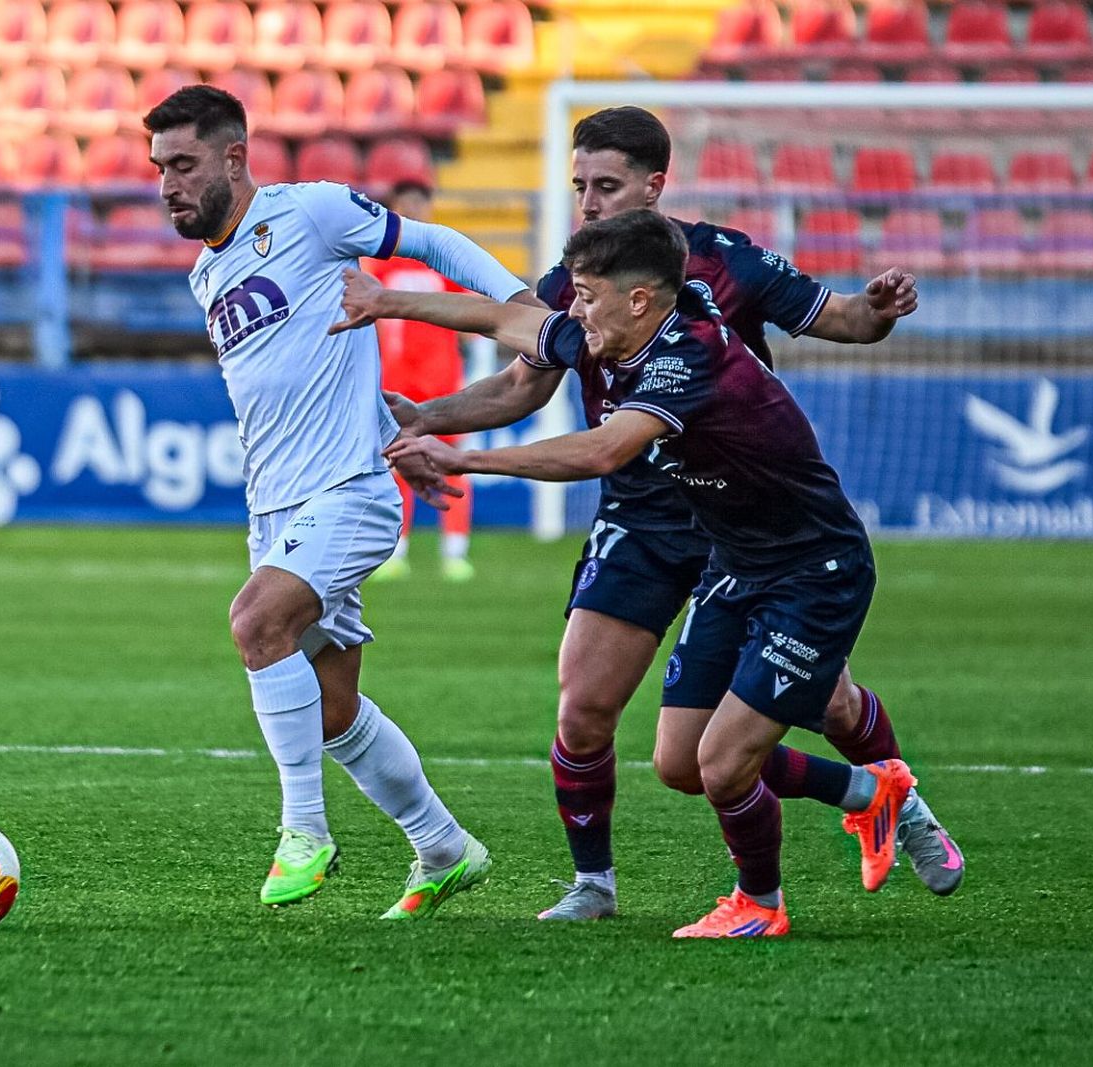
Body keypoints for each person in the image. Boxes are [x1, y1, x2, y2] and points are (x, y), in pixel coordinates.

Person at [381, 107, 961, 921]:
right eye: (578, 185)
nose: (587, 202)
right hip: (650, 514)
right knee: (592, 709)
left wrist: (878, 306)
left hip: (750, 519)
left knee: (811, 705)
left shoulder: (717, 278)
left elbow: (845, 320)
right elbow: (521, 370)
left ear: (655, 187)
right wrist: (429, 412)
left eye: (605, 186)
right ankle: (595, 884)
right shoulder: (580, 286)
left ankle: (894, 813)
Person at [147, 84, 531, 918]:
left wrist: (519, 304)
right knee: (332, 707)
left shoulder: (312, 214)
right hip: (276, 508)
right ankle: (444, 846)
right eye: (159, 169)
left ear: (234, 157)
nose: (168, 185)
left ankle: (305, 829)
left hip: (351, 493)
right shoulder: (206, 272)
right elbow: (293, 377)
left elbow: (426, 240)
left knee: (255, 622)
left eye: (183, 164)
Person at [364, 179, 476, 583]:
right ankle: (396, 551)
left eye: (418, 204)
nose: (412, 211)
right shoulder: (378, 264)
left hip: (442, 383)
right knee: (396, 469)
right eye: (404, 204)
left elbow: (471, 317)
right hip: (396, 385)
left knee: (454, 466)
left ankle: (455, 553)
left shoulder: (442, 261)